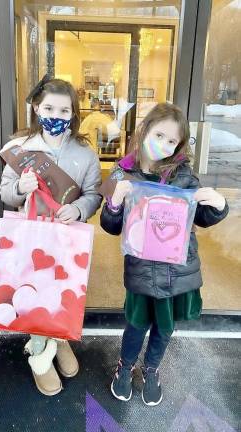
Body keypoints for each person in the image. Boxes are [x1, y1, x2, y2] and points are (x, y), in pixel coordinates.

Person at [100, 102, 229, 406]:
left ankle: (152, 369)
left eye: (172, 141)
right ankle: (125, 367)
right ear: (144, 129)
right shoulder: (122, 172)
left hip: (177, 270)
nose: (165, 145)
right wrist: (115, 204)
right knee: (136, 323)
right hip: (142, 271)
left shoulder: (182, 173)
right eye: (159, 135)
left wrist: (218, 205)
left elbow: (203, 217)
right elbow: (109, 226)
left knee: (164, 326)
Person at [0, 75, 102, 396]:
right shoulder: (21, 149)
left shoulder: (85, 154)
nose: (55, 116)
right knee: (34, 294)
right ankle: (40, 356)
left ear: (73, 114)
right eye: (49, 108)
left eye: (63, 110)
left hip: (67, 240)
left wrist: (81, 209)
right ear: (36, 108)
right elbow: (5, 193)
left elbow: (95, 193)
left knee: (62, 293)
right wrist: (20, 187)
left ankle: (58, 340)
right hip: (31, 239)